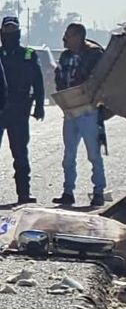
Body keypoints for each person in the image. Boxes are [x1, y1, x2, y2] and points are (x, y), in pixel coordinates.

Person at [53, 23, 106, 207]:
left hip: (88, 110)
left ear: (78, 37)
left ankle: (98, 192)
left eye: (68, 35)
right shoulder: (65, 56)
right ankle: (68, 192)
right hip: (69, 111)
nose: (65, 38)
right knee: (69, 155)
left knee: (93, 154)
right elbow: (59, 76)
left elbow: (98, 79)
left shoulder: (94, 54)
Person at [0, 16, 44, 204]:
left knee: (20, 153)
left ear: (18, 33)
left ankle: (23, 194)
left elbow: (38, 81)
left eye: (13, 32)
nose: (10, 35)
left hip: (19, 110)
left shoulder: (28, 54)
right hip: (0, 109)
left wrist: (40, 105)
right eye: (6, 32)